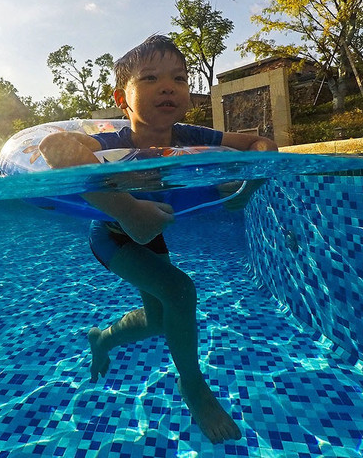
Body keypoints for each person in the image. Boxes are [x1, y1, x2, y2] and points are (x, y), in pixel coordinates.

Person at [38, 34, 277, 443]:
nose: (168, 86)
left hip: (151, 234)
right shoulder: (115, 142)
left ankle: (103, 338)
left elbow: (260, 143)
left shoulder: (189, 137)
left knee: (157, 318)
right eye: (149, 78)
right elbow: (52, 148)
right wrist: (129, 211)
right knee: (180, 291)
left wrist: (248, 186)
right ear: (121, 98)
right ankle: (193, 385)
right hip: (112, 235)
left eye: (179, 78)